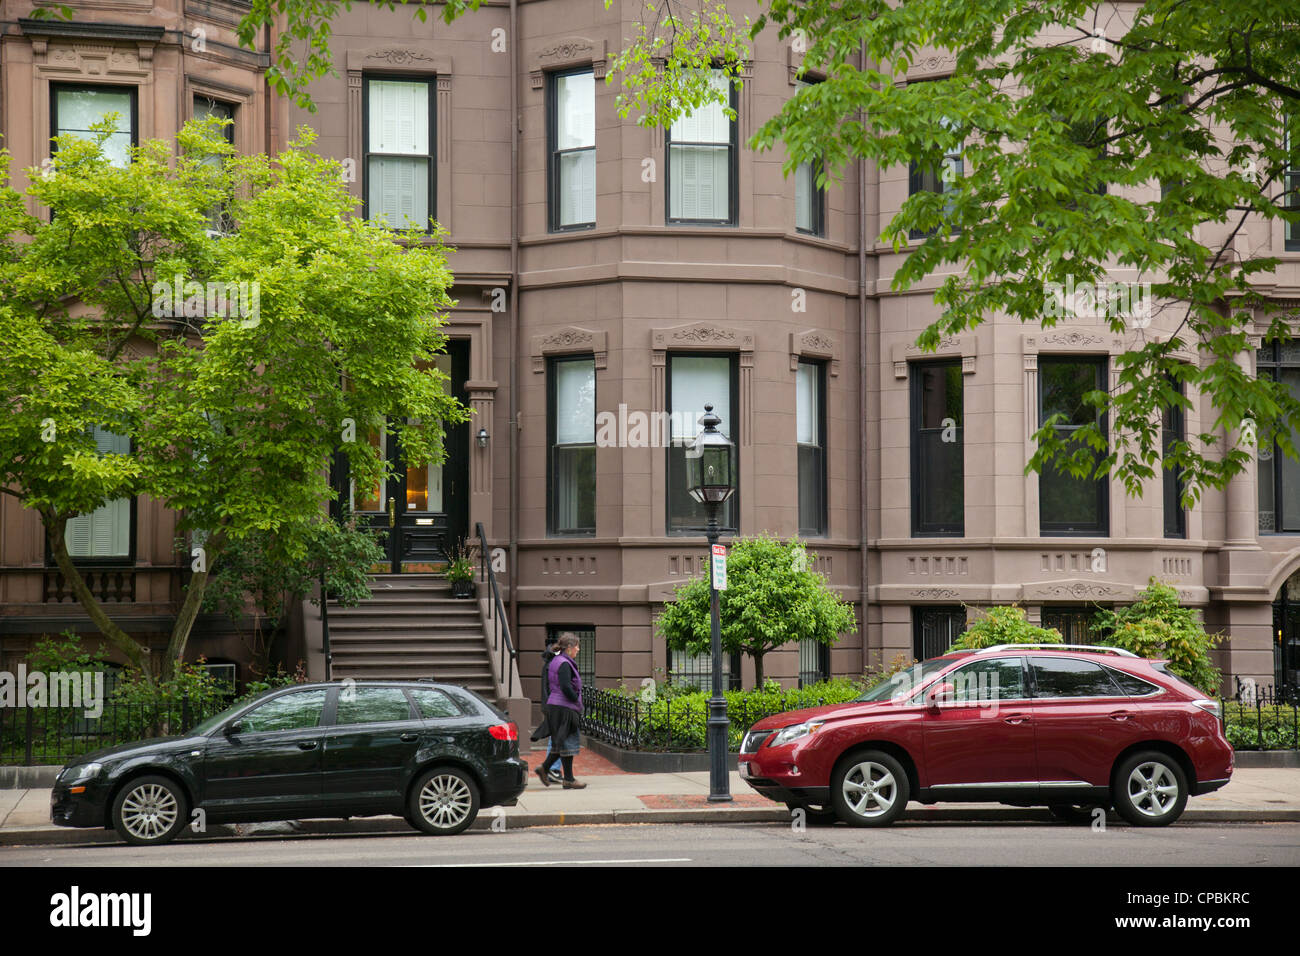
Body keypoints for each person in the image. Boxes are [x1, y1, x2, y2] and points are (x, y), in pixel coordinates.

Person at [536, 633, 586, 789]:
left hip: (558, 707)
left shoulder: (558, 661)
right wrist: (576, 702)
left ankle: (567, 779)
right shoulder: (564, 663)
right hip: (564, 708)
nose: (578, 649)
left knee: (564, 742)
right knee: (566, 741)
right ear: (569, 648)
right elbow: (566, 687)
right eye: (576, 646)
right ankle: (547, 768)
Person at [530, 635, 564, 783]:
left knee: (557, 736)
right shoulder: (555, 664)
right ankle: (552, 768)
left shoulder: (550, 662)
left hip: (552, 704)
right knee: (558, 737)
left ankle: (552, 768)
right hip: (556, 705)